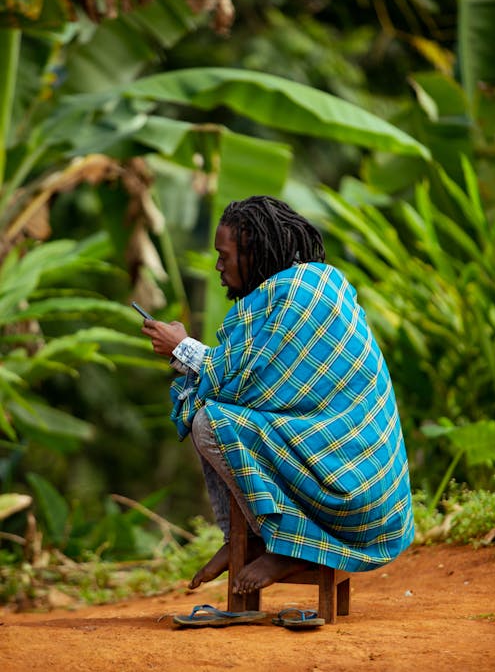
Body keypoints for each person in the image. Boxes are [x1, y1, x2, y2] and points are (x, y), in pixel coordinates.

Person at [141, 195, 414, 595]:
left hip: (355, 489)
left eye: (225, 255)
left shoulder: (302, 295)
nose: (218, 266)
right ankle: (246, 539)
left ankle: (290, 548)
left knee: (212, 422)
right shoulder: (305, 287)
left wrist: (183, 348)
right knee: (215, 410)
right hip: (350, 475)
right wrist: (186, 351)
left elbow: (245, 381)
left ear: (254, 252)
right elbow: (249, 378)